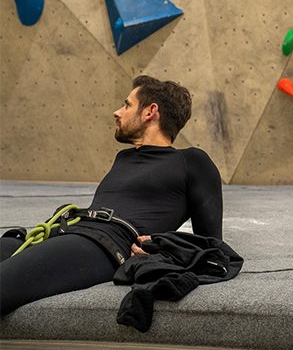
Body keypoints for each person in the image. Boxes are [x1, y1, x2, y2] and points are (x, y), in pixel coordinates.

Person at [1, 75, 223, 315]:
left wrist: (162, 247)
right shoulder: (124, 158)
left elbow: (213, 248)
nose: (117, 112)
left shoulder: (192, 162)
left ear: (150, 112)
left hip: (105, 243)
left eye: (127, 105)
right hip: (68, 230)